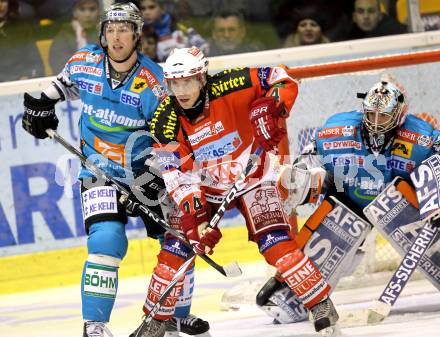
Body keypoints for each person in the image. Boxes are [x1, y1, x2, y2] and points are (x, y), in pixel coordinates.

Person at [21, 3, 206, 337]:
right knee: (106, 240)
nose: (116, 37)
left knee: (178, 238)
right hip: (97, 172)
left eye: (124, 30)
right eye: (110, 29)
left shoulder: (153, 83)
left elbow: (167, 140)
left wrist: (150, 183)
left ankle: (177, 314)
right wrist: (39, 108)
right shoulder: (84, 62)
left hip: (146, 173)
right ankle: (94, 325)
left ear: (137, 35)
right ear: (102, 34)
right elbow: (60, 87)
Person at [129, 47, 339, 337]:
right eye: (174, 84)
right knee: (177, 245)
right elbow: (178, 176)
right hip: (205, 185)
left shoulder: (232, 83)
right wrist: (197, 221)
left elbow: (281, 77)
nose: (181, 90)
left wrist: (274, 106)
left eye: (187, 81)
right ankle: (156, 319)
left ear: (202, 78)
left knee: (275, 241)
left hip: (254, 176)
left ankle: (321, 304)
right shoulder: (164, 120)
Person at [256, 79, 440, 323]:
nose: (375, 122)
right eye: (371, 114)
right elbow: (308, 164)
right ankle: (295, 289)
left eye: (383, 116)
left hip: (399, 204)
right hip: (350, 199)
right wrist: (294, 182)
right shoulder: (337, 130)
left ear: (399, 115)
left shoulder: (422, 136)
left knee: (412, 215)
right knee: (329, 211)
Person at [138, 0, 207, 61]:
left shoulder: (180, 27)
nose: (146, 12)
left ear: (162, 9)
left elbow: (203, 49)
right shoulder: (140, 32)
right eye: (143, 8)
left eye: (151, 7)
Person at [49, 0, 100, 73]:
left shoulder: (104, 33)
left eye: (92, 9)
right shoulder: (64, 36)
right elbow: (59, 68)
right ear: (74, 12)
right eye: (82, 9)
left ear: (99, 11)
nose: (88, 14)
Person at [0, 0, 44, 81]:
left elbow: (36, 62)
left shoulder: (21, 27)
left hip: (19, 81)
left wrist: (27, 77)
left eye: (3, 1)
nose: (0, 6)